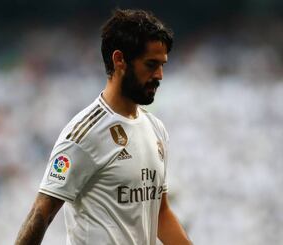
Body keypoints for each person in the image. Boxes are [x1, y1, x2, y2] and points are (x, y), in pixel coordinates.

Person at [15, 9, 192, 245]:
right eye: (151, 64)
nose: (159, 75)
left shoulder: (156, 129)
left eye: (162, 65)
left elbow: (160, 214)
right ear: (120, 60)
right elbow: (41, 214)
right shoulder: (84, 133)